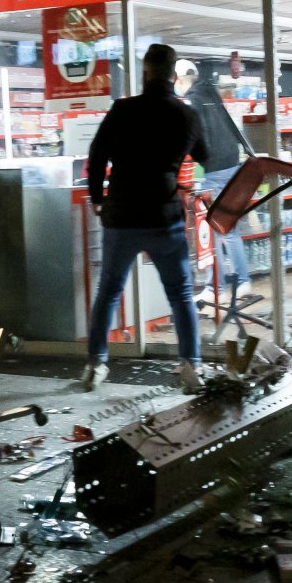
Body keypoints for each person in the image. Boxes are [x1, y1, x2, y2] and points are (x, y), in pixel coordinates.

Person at [82, 43, 208, 394]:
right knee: (181, 295)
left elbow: (97, 154)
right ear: (174, 76)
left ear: (145, 73)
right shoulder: (186, 115)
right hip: (163, 217)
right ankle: (190, 367)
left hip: (121, 216)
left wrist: (97, 199)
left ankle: (95, 365)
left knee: (108, 292)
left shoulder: (122, 110)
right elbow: (205, 154)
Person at [176, 57, 255, 312]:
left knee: (211, 232)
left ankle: (219, 287)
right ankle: (234, 283)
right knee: (226, 229)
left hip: (214, 171)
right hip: (233, 165)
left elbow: (194, 137)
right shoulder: (212, 93)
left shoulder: (193, 101)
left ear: (180, 79)